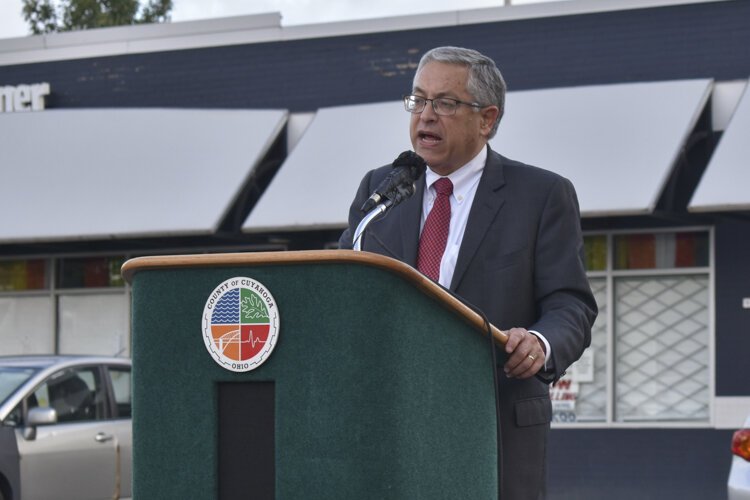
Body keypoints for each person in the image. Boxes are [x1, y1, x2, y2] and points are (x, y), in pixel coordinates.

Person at [339, 46, 598, 499]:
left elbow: (570, 304)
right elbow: (341, 288)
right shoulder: (383, 189)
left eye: (445, 103)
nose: (426, 116)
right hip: (391, 424)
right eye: (418, 100)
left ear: (487, 119)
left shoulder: (540, 195)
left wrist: (539, 342)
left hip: (494, 423)